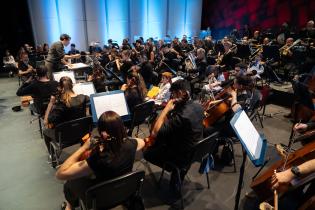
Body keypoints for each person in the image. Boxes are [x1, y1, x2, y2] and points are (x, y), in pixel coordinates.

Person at [56, 111, 145, 210]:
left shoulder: (99, 159)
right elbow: (142, 142)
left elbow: (60, 174)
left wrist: (84, 148)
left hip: (101, 200)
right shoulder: (132, 144)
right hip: (125, 192)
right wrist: (120, 138)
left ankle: (69, 207)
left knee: (70, 182)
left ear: (102, 133)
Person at [143, 79, 204, 193]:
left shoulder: (182, 116)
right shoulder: (199, 106)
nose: (172, 97)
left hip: (182, 156)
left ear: (181, 93)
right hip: (196, 150)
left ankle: (175, 171)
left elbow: (154, 132)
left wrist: (166, 109)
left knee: (147, 152)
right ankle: (179, 173)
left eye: (174, 94)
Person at [43, 76, 90, 153]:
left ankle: (53, 156)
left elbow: (48, 120)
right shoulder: (83, 98)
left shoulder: (62, 104)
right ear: (72, 85)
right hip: (81, 133)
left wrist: (51, 103)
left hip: (65, 136)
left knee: (45, 131)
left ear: (61, 88)